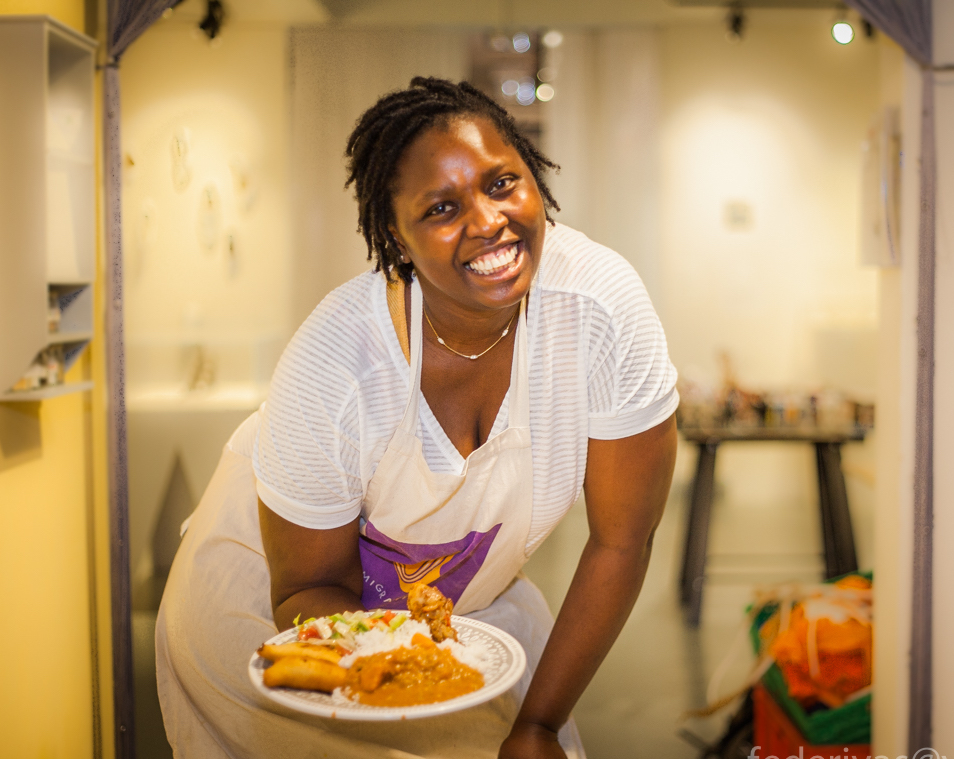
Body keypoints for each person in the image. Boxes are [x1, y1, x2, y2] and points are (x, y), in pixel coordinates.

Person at [156, 76, 678, 759]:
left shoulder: (601, 312)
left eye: (501, 183)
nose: (489, 221)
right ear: (395, 238)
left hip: (461, 607)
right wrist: (411, 677)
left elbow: (621, 540)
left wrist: (538, 723)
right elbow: (312, 586)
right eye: (440, 207)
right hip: (276, 611)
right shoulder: (339, 361)